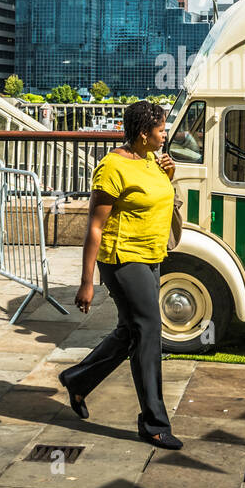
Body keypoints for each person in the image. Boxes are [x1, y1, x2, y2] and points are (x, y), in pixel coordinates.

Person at [59, 100, 183, 450]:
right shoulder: (112, 167)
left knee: (131, 331)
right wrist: (86, 282)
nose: (165, 135)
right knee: (149, 332)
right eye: (161, 129)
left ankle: (78, 379)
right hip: (122, 259)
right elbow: (94, 227)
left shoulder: (150, 160)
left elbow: (158, 199)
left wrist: (169, 176)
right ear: (144, 133)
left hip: (151, 256)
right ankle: (154, 422)